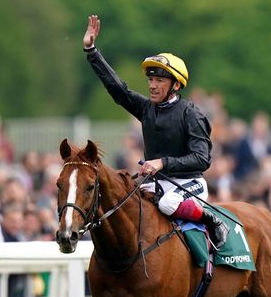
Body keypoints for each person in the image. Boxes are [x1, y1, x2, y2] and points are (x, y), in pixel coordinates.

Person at [82, 15, 228, 248]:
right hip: (156, 184)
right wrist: (92, 51)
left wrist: (162, 162)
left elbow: (202, 159)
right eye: (151, 79)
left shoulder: (191, 114)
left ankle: (212, 220)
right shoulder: (146, 108)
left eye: (159, 80)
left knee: (168, 204)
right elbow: (118, 89)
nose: (152, 85)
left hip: (188, 184)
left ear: (176, 85)